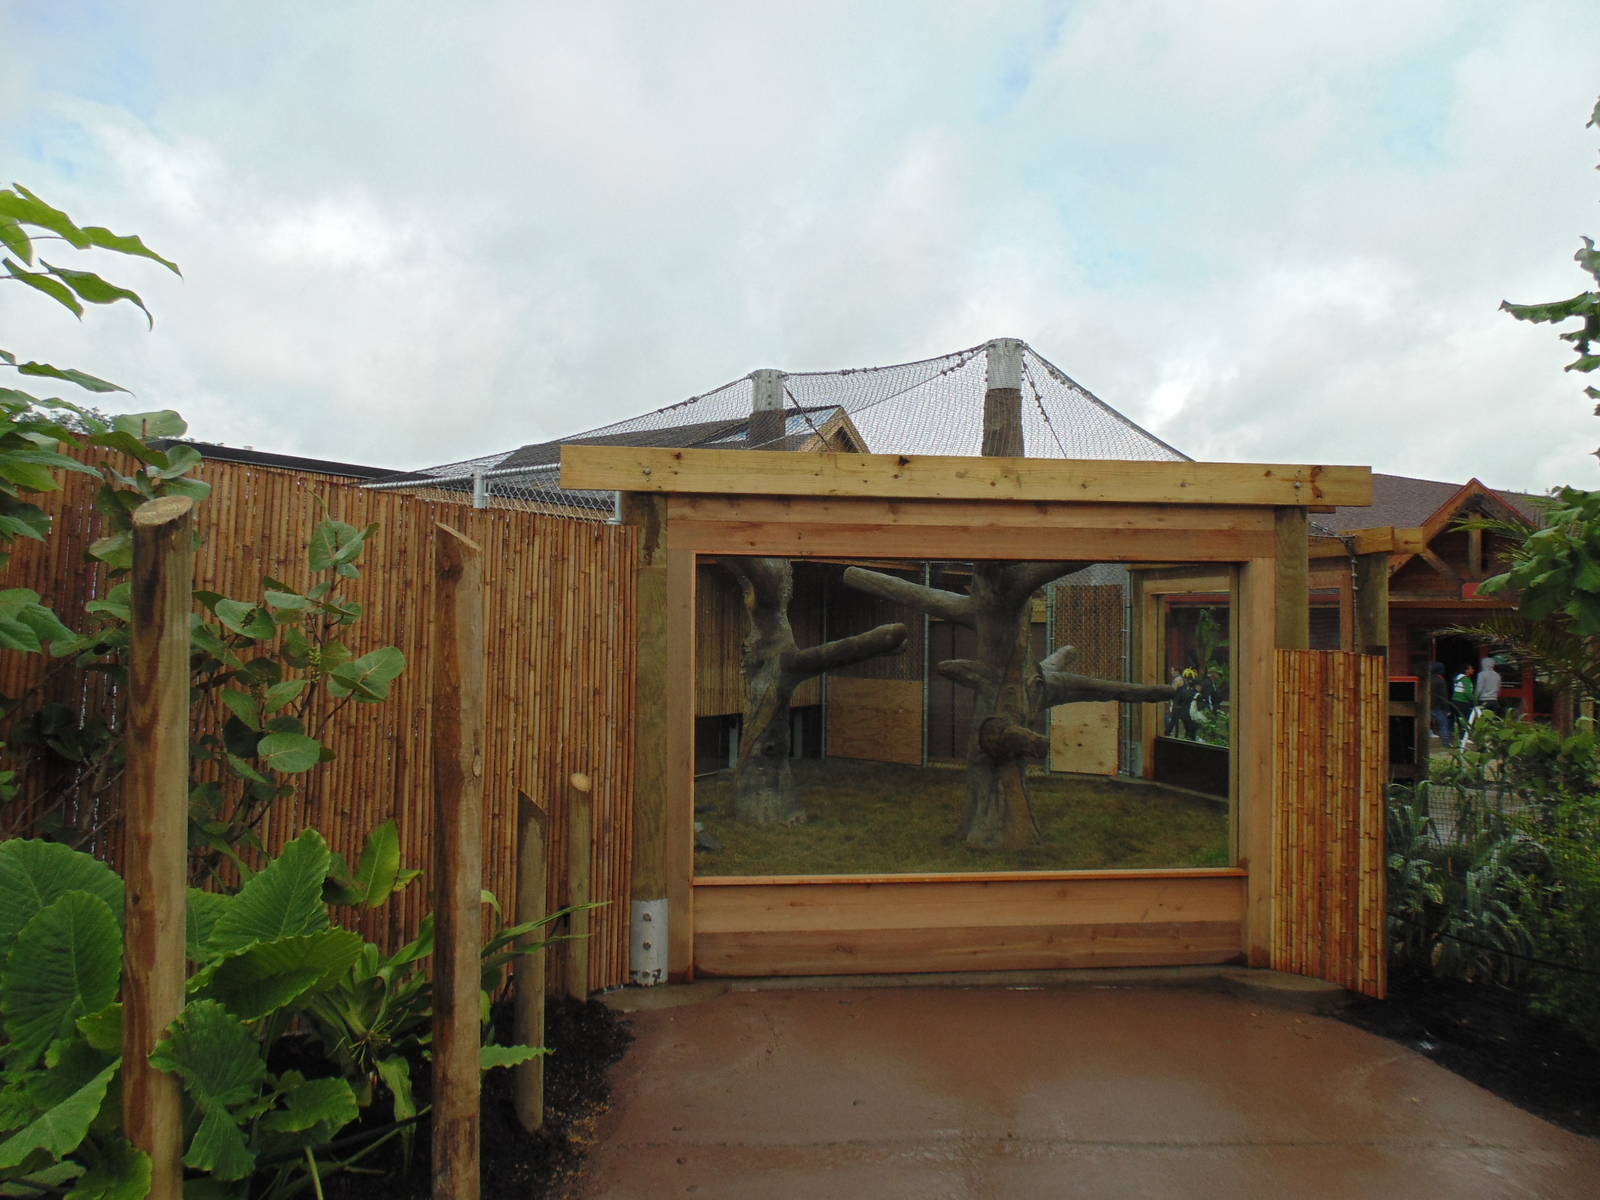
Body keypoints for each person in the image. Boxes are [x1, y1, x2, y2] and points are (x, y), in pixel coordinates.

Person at [1429, 660, 1453, 748]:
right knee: (1444, 724)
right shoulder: (1440, 680)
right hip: (1437, 706)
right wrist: (1447, 709)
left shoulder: (1428, 679)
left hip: (1427, 705)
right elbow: (1443, 695)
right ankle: (1446, 743)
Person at [1451, 663, 1477, 744]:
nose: (1472, 670)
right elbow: (1467, 693)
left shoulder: (1458, 678)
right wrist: (1475, 701)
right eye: (1471, 668)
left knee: (1459, 720)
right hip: (1463, 702)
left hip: (1455, 701)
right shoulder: (1466, 679)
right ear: (1466, 670)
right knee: (1465, 720)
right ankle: (1463, 738)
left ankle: (1458, 737)